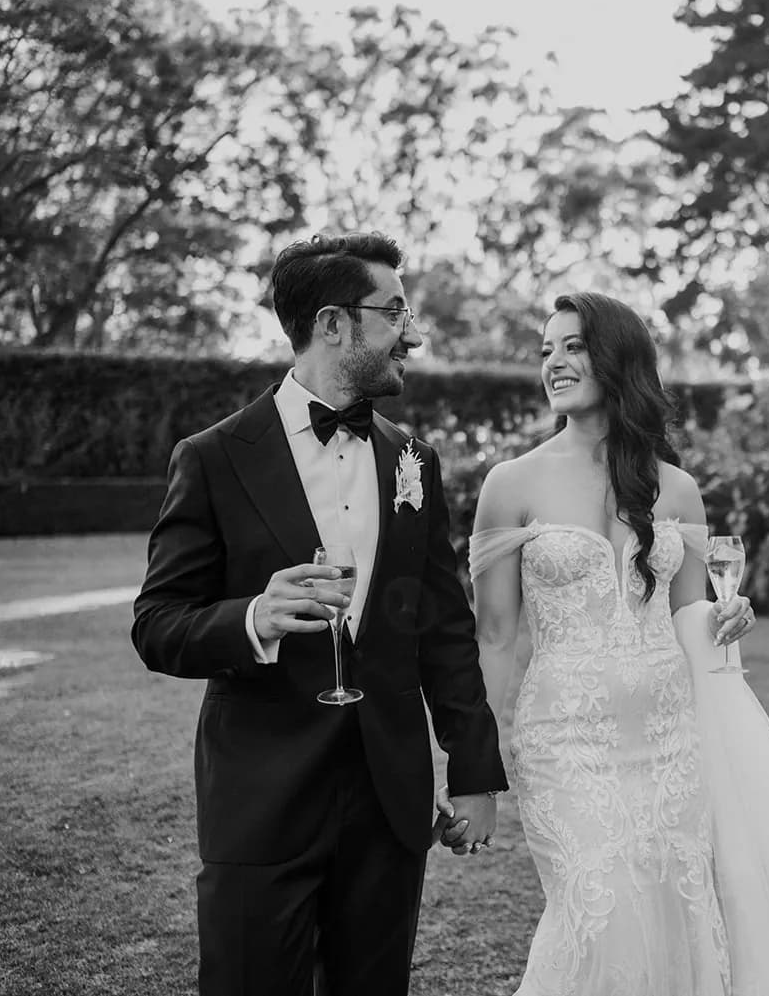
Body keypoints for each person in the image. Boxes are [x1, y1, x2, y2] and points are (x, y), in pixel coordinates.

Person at [131, 231, 507, 996]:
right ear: (333, 324)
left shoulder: (413, 460)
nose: (415, 331)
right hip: (262, 796)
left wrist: (474, 771)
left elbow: (442, 627)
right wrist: (253, 618)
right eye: (394, 310)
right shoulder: (213, 456)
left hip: (387, 798)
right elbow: (158, 622)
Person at [467, 292, 769, 996]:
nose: (554, 361)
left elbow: (690, 613)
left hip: (671, 740)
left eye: (572, 345)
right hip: (565, 741)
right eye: (546, 349)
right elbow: (493, 638)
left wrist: (727, 620)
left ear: (617, 356)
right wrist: (476, 766)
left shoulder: (677, 488)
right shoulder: (510, 484)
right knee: (599, 912)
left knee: (676, 916)